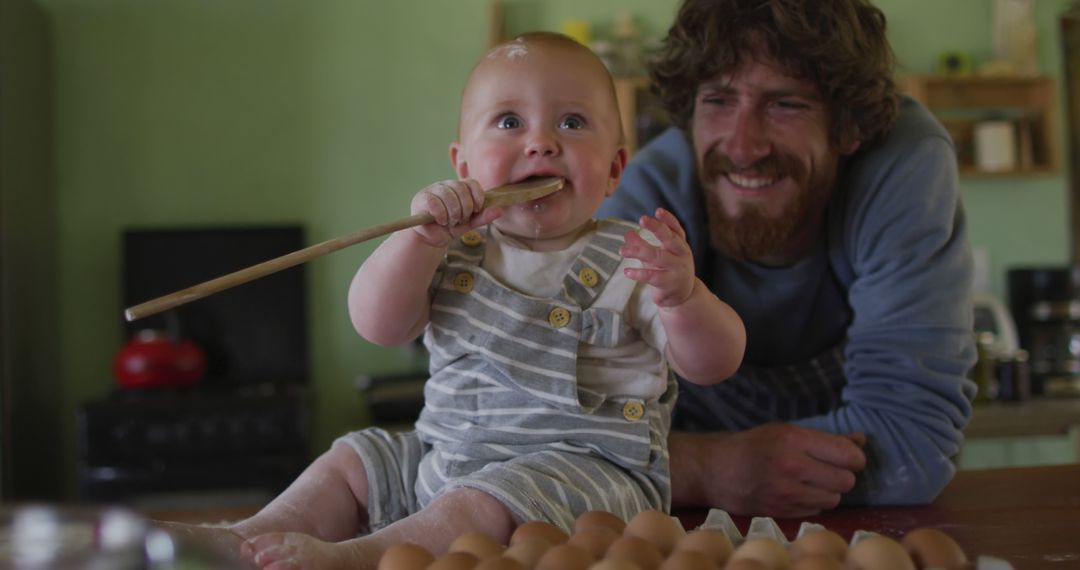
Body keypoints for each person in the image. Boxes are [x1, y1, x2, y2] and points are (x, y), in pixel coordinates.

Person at [160, 32, 745, 570]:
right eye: (510, 122)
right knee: (356, 458)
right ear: (463, 165)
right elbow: (378, 325)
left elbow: (714, 363)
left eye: (571, 123)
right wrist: (414, 239)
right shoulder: (449, 249)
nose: (540, 142)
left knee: (481, 499)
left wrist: (683, 296)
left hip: (585, 479)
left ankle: (363, 558)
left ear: (615, 168)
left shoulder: (638, 259)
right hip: (448, 456)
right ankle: (252, 536)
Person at [597, 0, 977, 518]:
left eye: (786, 104)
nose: (744, 145)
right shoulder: (651, 196)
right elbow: (545, 428)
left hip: (864, 532)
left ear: (849, 128)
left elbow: (908, 445)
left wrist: (665, 463)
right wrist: (707, 469)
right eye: (718, 100)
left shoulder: (901, 165)